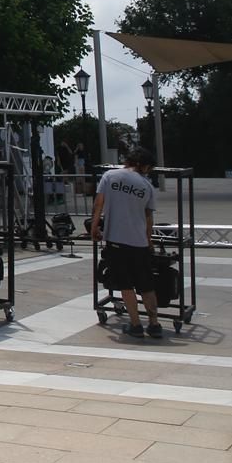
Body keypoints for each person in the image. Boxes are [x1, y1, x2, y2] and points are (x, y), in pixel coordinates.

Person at [91, 144, 161, 338]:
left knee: (125, 284)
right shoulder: (147, 186)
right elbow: (148, 217)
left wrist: (94, 226)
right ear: (142, 165)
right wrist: (149, 241)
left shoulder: (110, 176)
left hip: (116, 239)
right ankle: (154, 324)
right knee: (146, 284)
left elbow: (99, 203)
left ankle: (136, 324)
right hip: (139, 241)